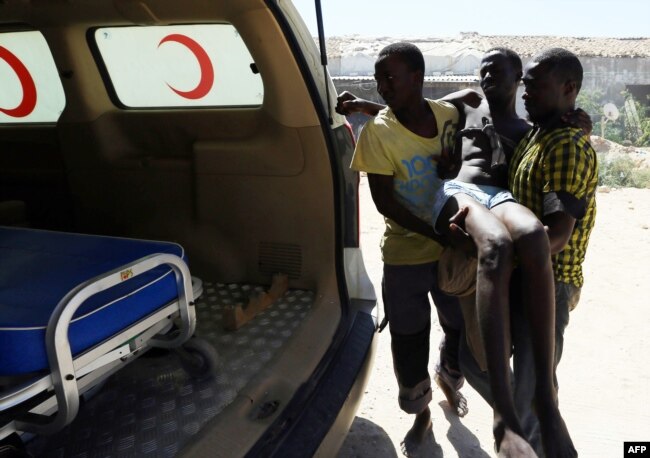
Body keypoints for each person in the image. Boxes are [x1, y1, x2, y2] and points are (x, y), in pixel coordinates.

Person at [346, 42, 469, 455]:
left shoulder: (447, 116)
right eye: (379, 80)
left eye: (391, 78)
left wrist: (455, 166)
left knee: (459, 327)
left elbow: (462, 142)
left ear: (417, 77)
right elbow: (385, 202)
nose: (382, 87)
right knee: (408, 338)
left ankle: (450, 374)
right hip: (406, 256)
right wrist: (437, 234)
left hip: (451, 253)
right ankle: (421, 414)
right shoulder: (377, 133)